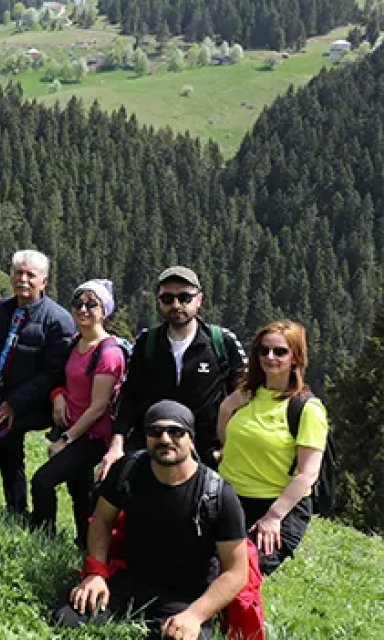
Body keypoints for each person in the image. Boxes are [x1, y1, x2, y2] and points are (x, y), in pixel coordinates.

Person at [51, 401, 248, 640]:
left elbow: (237, 572)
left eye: (176, 432)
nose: (164, 439)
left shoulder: (217, 493)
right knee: (66, 618)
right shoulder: (128, 470)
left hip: (185, 597)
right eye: (155, 431)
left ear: (191, 439)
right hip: (130, 581)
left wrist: (195, 615)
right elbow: (101, 520)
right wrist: (96, 573)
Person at [102, 267, 247, 479]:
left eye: (185, 298)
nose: (176, 305)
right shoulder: (147, 342)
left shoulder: (222, 342)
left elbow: (245, 395)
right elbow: (130, 397)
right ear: (159, 301)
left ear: (199, 300)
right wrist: (117, 444)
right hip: (155, 445)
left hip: (207, 451)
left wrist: (228, 446)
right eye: (168, 298)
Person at [217, 320, 327, 575]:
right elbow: (227, 441)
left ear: (296, 358)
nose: (270, 357)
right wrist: (226, 409)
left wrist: (274, 517)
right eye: (263, 350)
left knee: (244, 574)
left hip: (276, 505)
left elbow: (308, 473)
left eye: (280, 351)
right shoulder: (245, 396)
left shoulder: (307, 409)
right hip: (230, 499)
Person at [0, 249, 76, 514]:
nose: (23, 280)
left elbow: (53, 374)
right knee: (9, 450)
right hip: (0, 393)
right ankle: (16, 511)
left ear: (44, 281)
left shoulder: (58, 320)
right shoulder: (3, 309)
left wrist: (14, 404)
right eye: (18, 273)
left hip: (35, 403)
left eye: (30, 275)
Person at [30, 279, 126, 547]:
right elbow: (61, 379)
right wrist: (57, 395)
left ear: (104, 311)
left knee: (43, 481)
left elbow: (98, 407)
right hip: (74, 427)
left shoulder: (109, 354)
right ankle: (85, 544)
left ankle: (43, 540)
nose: (83, 310)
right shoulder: (75, 343)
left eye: (91, 305)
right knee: (80, 491)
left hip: (92, 436)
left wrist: (66, 440)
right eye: (78, 304)